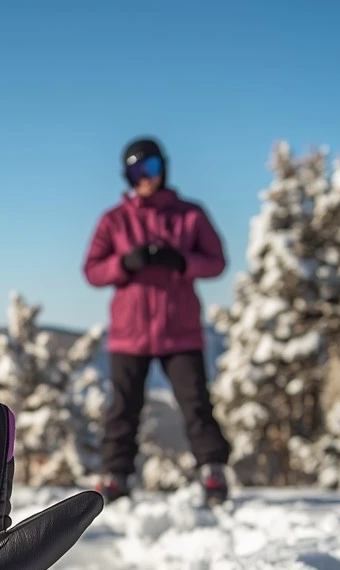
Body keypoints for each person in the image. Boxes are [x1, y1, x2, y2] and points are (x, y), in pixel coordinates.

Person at [83, 137, 231, 504]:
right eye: (136, 171)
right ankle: (115, 475)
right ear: (127, 175)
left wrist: (182, 262)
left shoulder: (189, 214)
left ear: (164, 167)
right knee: (123, 407)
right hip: (129, 334)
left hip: (180, 331)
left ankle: (212, 471)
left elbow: (217, 262)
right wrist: (124, 264)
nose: (145, 178)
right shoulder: (114, 220)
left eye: (150, 168)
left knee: (196, 403)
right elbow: (92, 270)